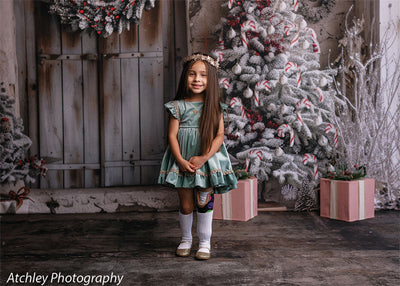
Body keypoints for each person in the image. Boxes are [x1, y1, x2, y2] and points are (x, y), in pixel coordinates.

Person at [158, 53, 238, 260]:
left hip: (207, 160)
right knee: (186, 205)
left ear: (210, 79)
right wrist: (180, 160)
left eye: (203, 75)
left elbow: (219, 135)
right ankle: (186, 239)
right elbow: (171, 136)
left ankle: (204, 242)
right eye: (192, 74)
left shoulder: (214, 107)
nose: (197, 79)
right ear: (185, 76)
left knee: (204, 201)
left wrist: (204, 157)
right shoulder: (178, 106)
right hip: (183, 160)